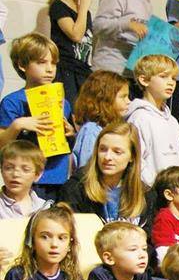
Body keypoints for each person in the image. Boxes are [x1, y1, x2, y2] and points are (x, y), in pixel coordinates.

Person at [0, 33, 73, 197]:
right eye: (41, 63)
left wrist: (69, 132)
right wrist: (18, 125)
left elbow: (67, 144)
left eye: (53, 63)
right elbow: (2, 144)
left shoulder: (63, 102)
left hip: (58, 177)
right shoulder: (13, 102)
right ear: (22, 65)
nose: (50, 69)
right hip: (27, 180)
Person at [59, 121, 156, 230]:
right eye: (103, 149)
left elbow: (148, 240)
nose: (107, 157)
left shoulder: (145, 195)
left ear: (132, 156)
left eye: (117, 152)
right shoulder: (76, 188)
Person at [48, 0, 95, 105]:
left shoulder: (85, 12)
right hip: (66, 70)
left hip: (82, 71)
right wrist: (83, 9)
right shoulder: (58, 7)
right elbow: (76, 35)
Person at [69, 69, 128, 170]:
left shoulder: (111, 127)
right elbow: (87, 169)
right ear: (105, 100)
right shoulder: (91, 130)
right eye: (123, 97)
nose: (128, 101)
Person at [0, 140, 51, 218]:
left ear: (37, 175)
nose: (15, 174)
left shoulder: (45, 208)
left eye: (25, 170)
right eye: (9, 168)